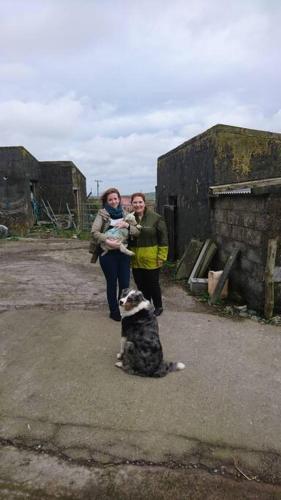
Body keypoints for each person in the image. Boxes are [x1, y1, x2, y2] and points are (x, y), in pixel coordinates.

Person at [91, 187, 140, 321]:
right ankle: (114, 312)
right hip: (108, 255)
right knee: (112, 283)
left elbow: (136, 232)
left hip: (123, 254)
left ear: (119, 199)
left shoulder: (125, 213)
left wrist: (127, 226)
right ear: (106, 201)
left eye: (115, 198)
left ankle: (121, 308)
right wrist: (107, 241)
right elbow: (94, 232)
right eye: (110, 199)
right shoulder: (102, 214)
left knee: (124, 284)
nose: (113, 201)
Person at [129, 193, 168, 316]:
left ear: (144, 203)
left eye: (140, 202)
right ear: (132, 204)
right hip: (136, 258)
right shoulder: (129, 218)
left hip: (151, 258)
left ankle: (158, 306)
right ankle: (145, 306)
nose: (138, 205)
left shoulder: (156, 218)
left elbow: (163, 239)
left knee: (153, 284)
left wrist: (162, 256)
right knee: (140, 284)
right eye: (135, 202)